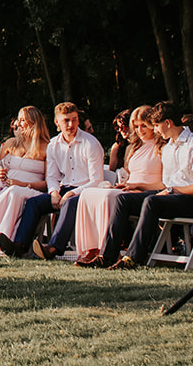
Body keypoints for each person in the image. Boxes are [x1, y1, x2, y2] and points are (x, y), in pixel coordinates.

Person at [105, 101, 193, 269]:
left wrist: (173, 190)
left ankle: (134, 258)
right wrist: (140, 186)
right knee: (124, 200)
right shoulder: (169, 146)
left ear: (168, 123)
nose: (155, 130)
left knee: (152, 202)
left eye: (156, 126)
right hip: (174, 197)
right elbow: (166, 184)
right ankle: (107, 256)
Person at [1, 101, 106, 259]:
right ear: (57, 122)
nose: (71, 124)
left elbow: (96, 180)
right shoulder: (54, 145)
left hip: (87, 191)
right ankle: (20, 246)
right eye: (66, 120)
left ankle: (53, 248)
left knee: (69, 203)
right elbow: (52, 176)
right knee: (34, 202)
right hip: (64, 189)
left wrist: (73, 193)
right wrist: (54, 192)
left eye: (74, 119)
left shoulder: (90, 144)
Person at [73, 105, 161, 265]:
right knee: (89, 193)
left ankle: (105, 250)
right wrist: (125, 184)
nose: (140, 130)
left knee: (109, 196)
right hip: (131, 188)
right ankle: (91, 248)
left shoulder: (161, 147)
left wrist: (137, 185)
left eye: (144, 126)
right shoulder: (134, 147)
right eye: (136, 126)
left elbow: (164, 182)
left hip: (150, 191)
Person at [0, 106, 48, 255]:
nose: (18, 123)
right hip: (5, 185)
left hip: (30, 189)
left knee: (14, 192)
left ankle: (1, 242)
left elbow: (48, 184)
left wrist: (24, 184)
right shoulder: (11, 143)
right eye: (18, 119)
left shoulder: (47, 148)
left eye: (22, 120)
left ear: (32, 122)